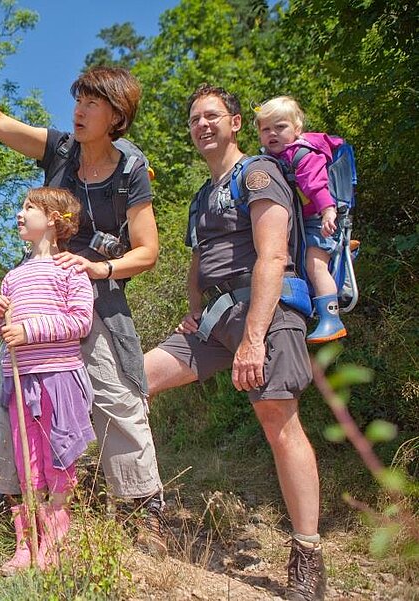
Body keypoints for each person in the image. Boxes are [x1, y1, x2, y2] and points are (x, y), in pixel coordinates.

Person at [0, 32, 168, 555]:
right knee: (12, 390)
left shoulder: (131, 171)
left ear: (117, 115)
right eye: (79, 98)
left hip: (94, 294)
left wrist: (99, 269)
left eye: (94, 102)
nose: (80, 109)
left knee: (117, 396)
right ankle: (8, 499)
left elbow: (149, 251)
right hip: (38, 291)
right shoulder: (60, 151)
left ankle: (142, 508)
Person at [143, 84, 325, 601]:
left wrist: (252, 340)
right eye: (194, 118)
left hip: (264, 314)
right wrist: (194, 312)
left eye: (212, 116)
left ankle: (307, 556)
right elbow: (198, 263)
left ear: (236, 122)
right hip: (214, 321)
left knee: (278, 420)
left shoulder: (259, 174)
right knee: (132, 384)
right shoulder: (204, 195)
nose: (202, 124)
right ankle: (144, 508)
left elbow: (271, 257)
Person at [0, 187, 96, 574]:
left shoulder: (71, 269)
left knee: (59, 456)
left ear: (53, 219)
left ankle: (56, 540)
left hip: (59, 377)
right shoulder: (13, 276)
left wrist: (29, 329)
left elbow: (80, 322)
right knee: (27, 461)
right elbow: (3, 329)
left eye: (28, 208)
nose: (20, 214)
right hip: (20, 378)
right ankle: (27, 544)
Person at [255, 95, 347, 343]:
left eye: (280, 127)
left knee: (314, 265)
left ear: (297, 129)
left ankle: (332, 319)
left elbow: (317, 186)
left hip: (318, 219)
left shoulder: (302, 155)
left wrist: (328, 211)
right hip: (299, 221)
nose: (272, 133)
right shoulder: (272, 158)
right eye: (266, 129)